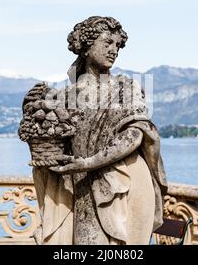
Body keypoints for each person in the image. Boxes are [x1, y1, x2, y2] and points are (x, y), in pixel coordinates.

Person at [33, 16, 167, 245]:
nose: (114, 50)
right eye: (107, 43)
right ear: (86, 47)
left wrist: (88, 163)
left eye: (117, 45)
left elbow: (134, 135)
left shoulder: (127, 88)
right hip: (81, 185)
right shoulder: (64, 97)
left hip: (126, 181)